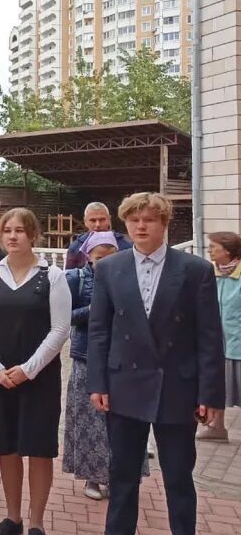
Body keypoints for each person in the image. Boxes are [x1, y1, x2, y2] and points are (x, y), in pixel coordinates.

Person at [89, 193, 225, 535]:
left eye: (148, 219)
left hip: (177, 387)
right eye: (133, 219)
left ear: (164, 224)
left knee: (179, 476)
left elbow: (209, 335)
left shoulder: (195, 270)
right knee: (122, 475)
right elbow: (99, 331)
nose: (140, 225)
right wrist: (98, 383)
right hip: (123, 387)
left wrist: (210, 393)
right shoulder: (109, 267)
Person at [0, 208, 71, 535]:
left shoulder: (52, 276)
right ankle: (12, 518)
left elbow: (60, 330)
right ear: (0, 236)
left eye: (20, 230)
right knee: (8, 448)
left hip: (39, 378)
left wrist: (28, 369)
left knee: (39, 450)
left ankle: (36, 523)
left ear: (33, 235)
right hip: (0, 378)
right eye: (7, 231)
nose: (13, 236)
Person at [62, 230, 129, 498]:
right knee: (89, 421)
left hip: (122, 358)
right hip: (85, 357)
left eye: (109, 256)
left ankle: (118, 476)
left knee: (120, 421)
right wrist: (95, 310)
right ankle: (91, 477)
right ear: (88, 255)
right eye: (99, 256)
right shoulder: (75, 279)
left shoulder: (126, 278)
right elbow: (65, 316)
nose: (103, 262)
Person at [201, 231, 241, 442]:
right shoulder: (211, 274)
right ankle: (217, 427)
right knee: (217, 385)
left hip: (239, 344)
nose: (209, 251)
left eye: (213, 247)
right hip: (218, 344)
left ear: (227, 250)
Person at [64, 202, 132, 271]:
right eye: (93, 220)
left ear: (109, 219)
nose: (98, 225)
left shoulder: (125, 244)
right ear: (85, 221)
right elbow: (69, 277)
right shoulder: (76, 247)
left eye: (102, 220)